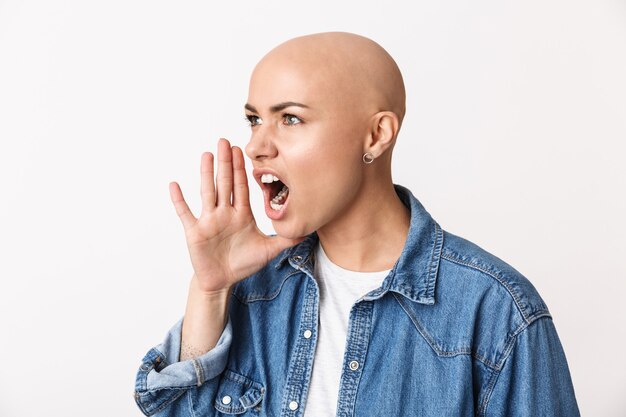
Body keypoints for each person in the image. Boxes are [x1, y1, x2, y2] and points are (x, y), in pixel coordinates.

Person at [134, 32, 580, 416]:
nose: (255, 146)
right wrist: (209, 291)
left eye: (290, 118)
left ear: (376, 135)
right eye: (254, 119)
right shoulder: (252, 289)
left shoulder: (496, 311)